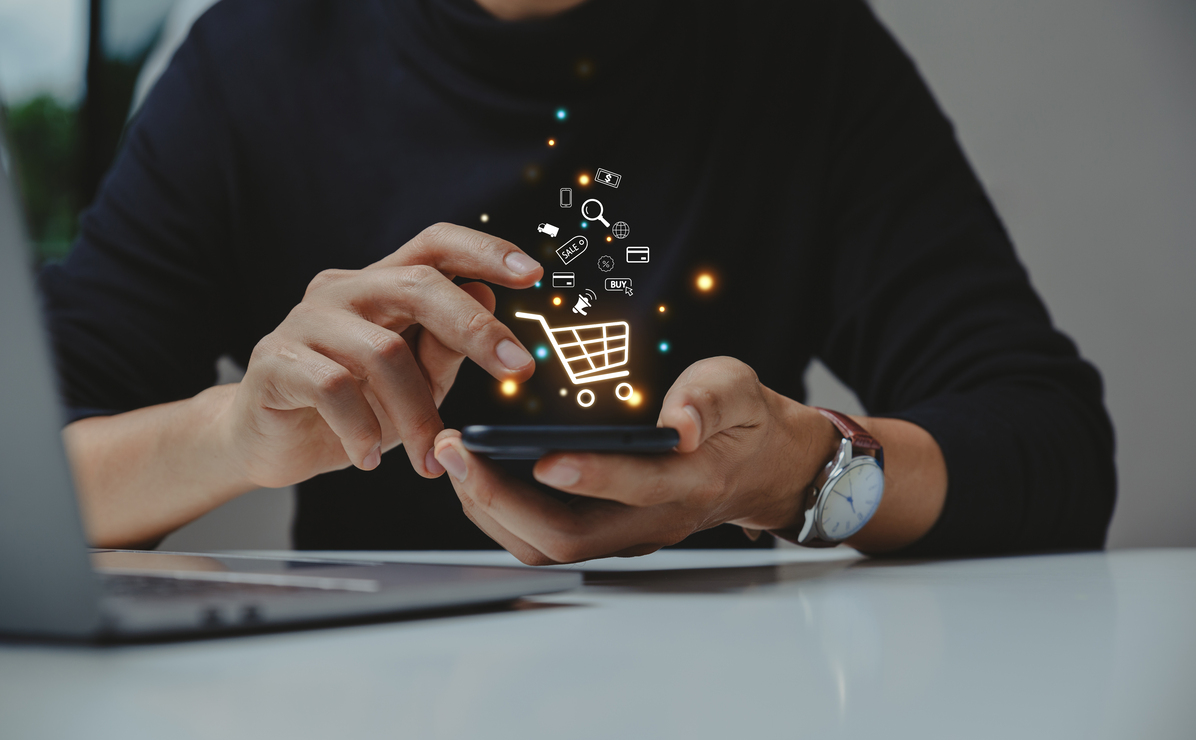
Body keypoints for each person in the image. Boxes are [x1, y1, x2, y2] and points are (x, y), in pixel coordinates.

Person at [41, 0, 1116, 562]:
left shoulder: (797, 42)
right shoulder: (252, 61)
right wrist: (235, 435)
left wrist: (796, 473)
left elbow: (1051, 444)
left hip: (735, 690)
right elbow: (28, 483)